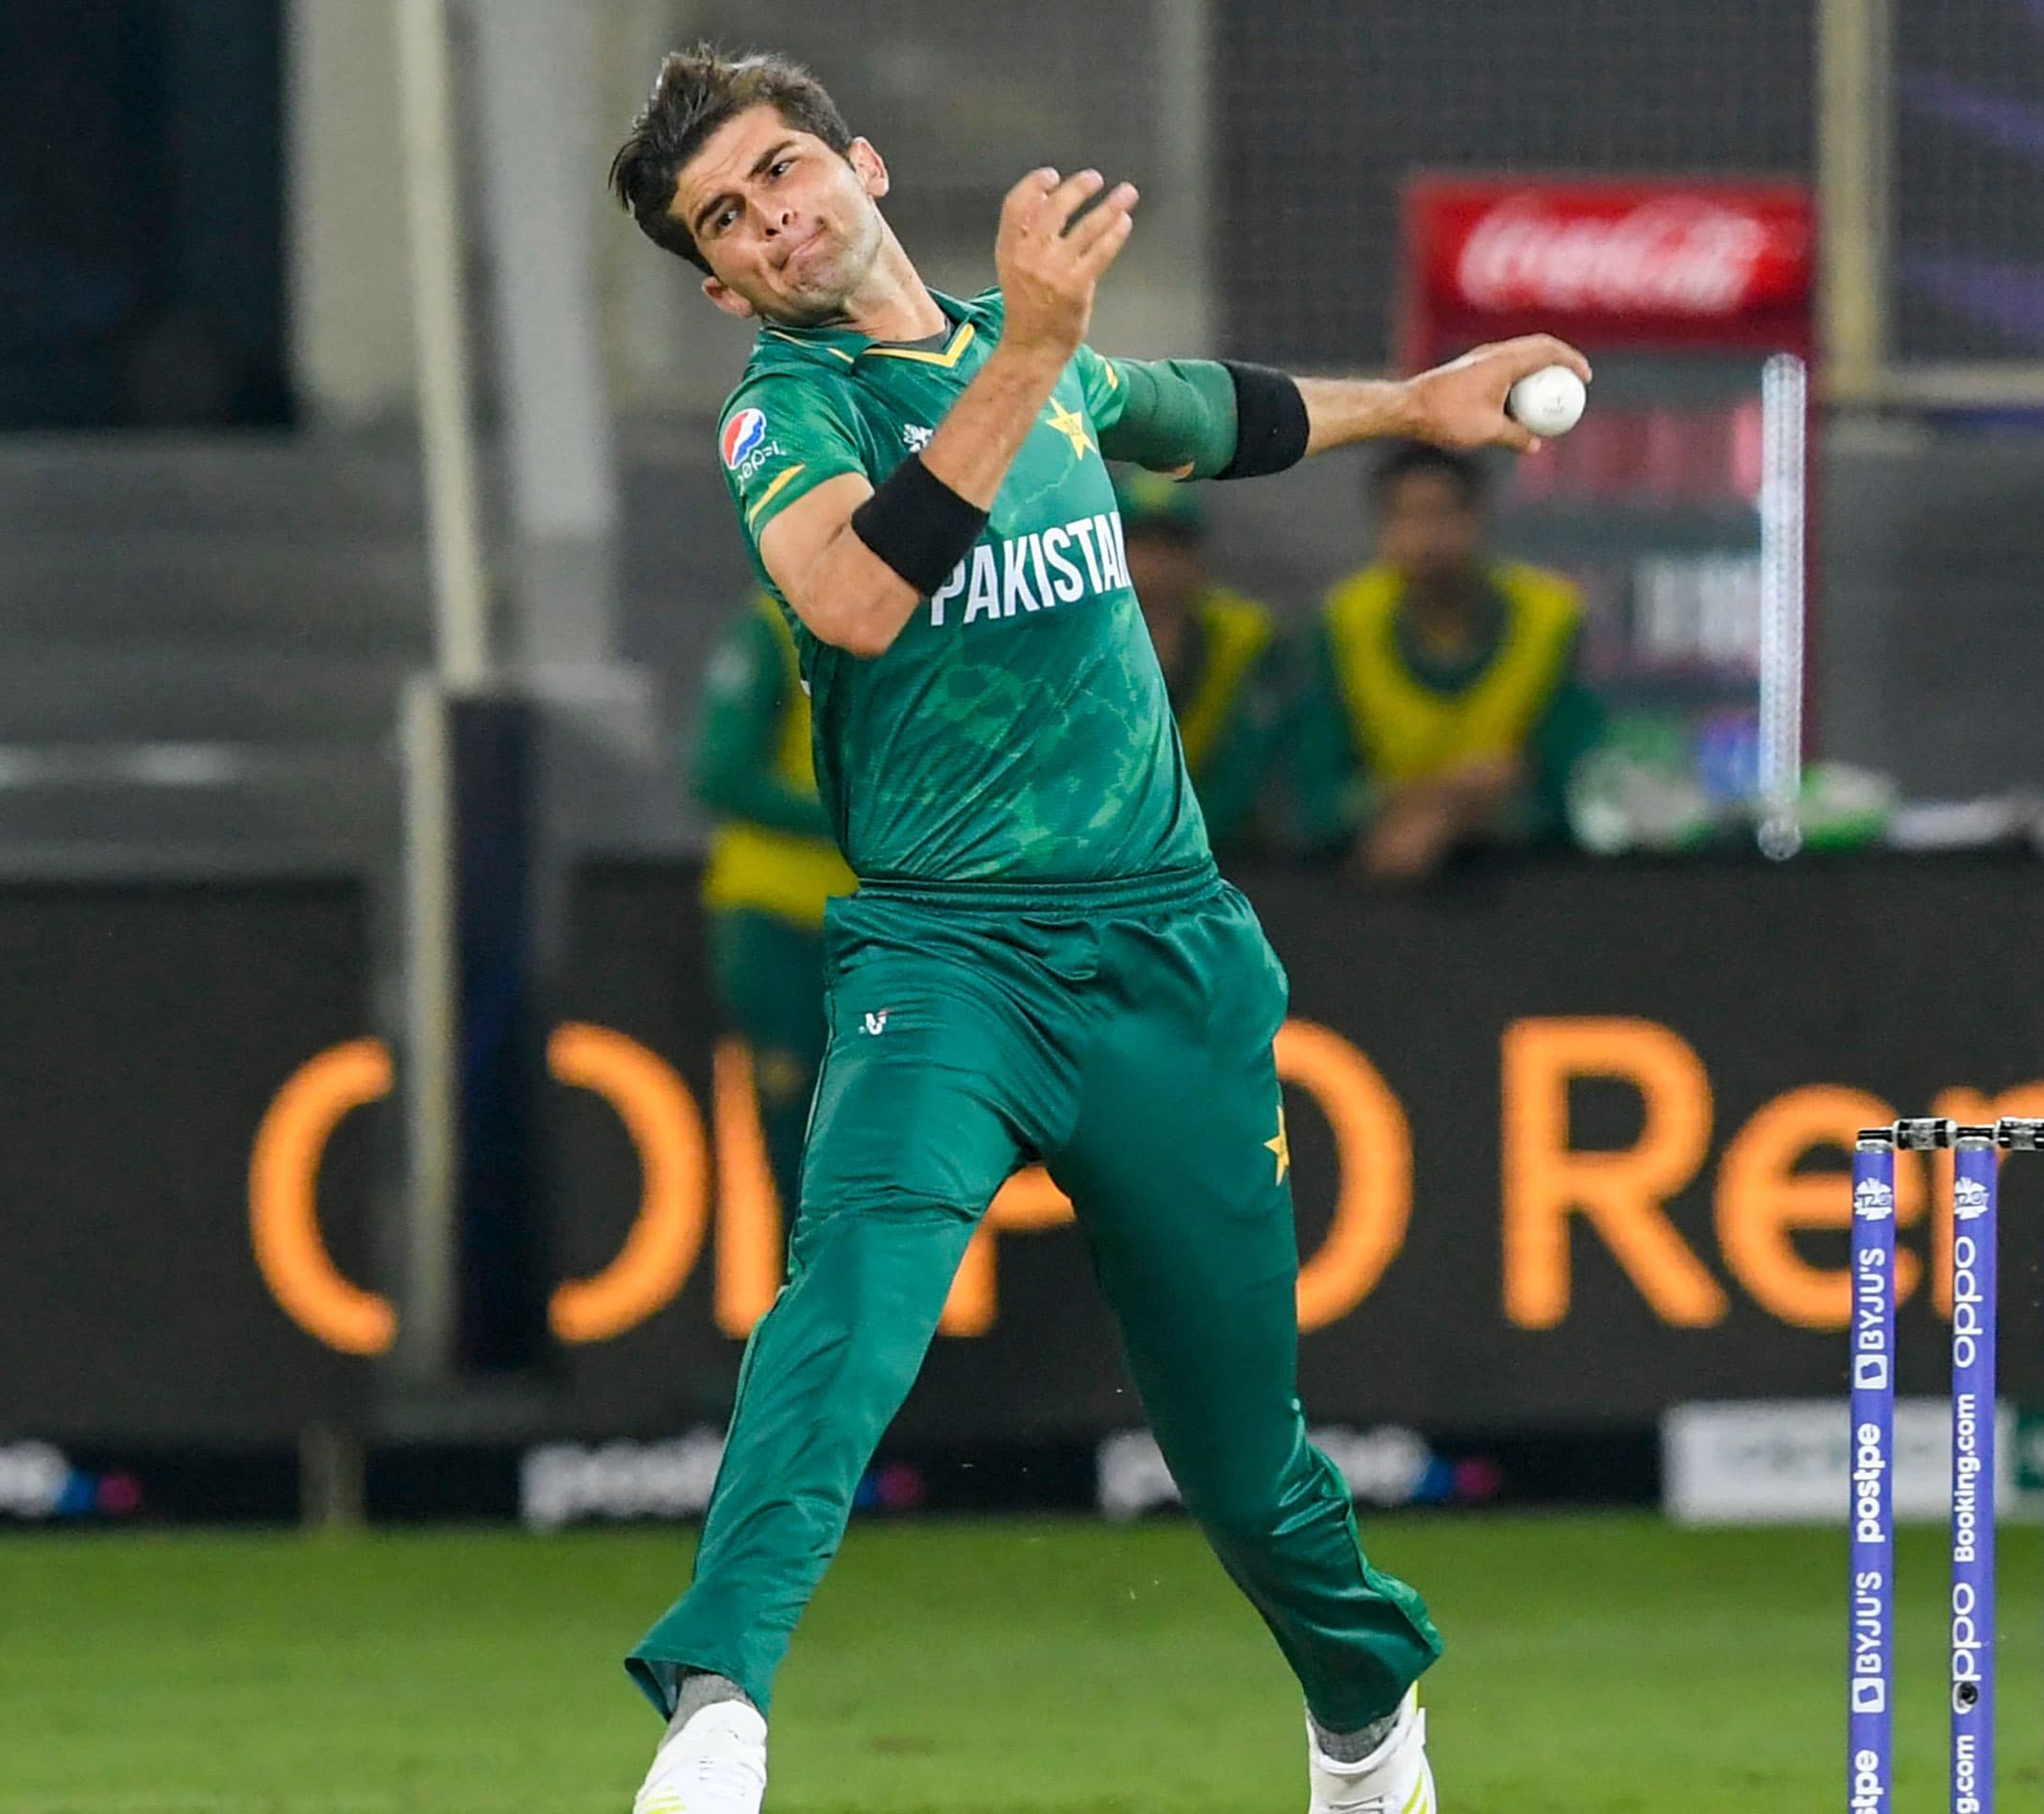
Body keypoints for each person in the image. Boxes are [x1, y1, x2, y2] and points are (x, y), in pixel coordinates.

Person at [605, 45, 1585, 1814]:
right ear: (718, 280)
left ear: (864, 161)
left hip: (1164, 959)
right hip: (947, 954)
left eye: (781, 175)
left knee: (1239, 1457)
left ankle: (1366, 1713)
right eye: (726, 220)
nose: (771, 223)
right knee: (852, 1294)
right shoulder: (793, 409)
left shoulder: (1025, 353)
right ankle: (717, 1707)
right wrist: (1039, 355)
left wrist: (1421, 401)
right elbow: (850, 593)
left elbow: (1208, 413)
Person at [1298, 444, 1602, 882]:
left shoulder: (1552, 618)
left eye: (1443, 514)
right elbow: (1319, 797)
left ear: (1478, 519)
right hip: (1378, 881)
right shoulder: (1345, 622)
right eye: (1405, 517)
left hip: (1532, 886)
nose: (1425, 538)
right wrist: (1459, 793)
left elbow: (1560, 788)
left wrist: (1441, 820)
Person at [687, 590, 858, 1220]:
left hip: (885, 926)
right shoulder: (773, 627)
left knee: (882, 1134)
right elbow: (719, 770)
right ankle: (815, 1306)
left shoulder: (932, 618)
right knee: (799, 1133)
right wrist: (851, 821)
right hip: (781, 924)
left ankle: (871, 1309)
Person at [1116, 470, 1287, 848]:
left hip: (1220, 849)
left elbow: (1247, 771)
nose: (1157, 567)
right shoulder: (1084, 638)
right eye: (1141, 547)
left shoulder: (1245, 637)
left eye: (1173, 548)